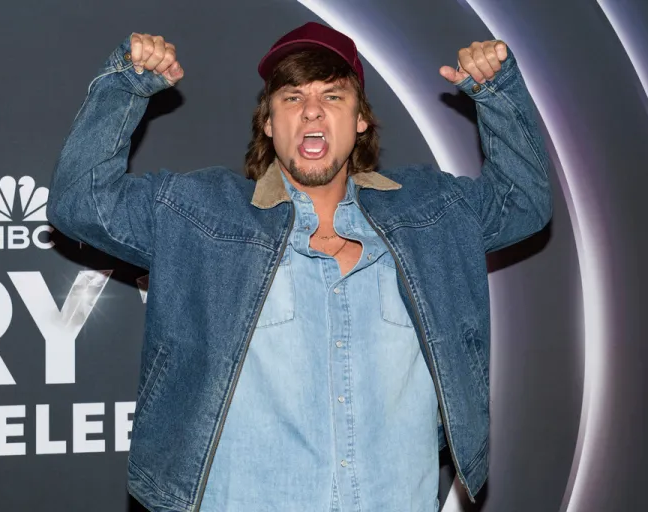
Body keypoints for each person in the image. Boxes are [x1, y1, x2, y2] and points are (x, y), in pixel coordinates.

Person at [47, 21, 551, 512]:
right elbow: (81, 202)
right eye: (291, 98)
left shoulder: (432, 211)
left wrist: (497, 93)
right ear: (268, 123)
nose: (312, 112)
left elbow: (523, 203)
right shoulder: (199, 214)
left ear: (360, 119)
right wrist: (127, 85)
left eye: (332, 96)